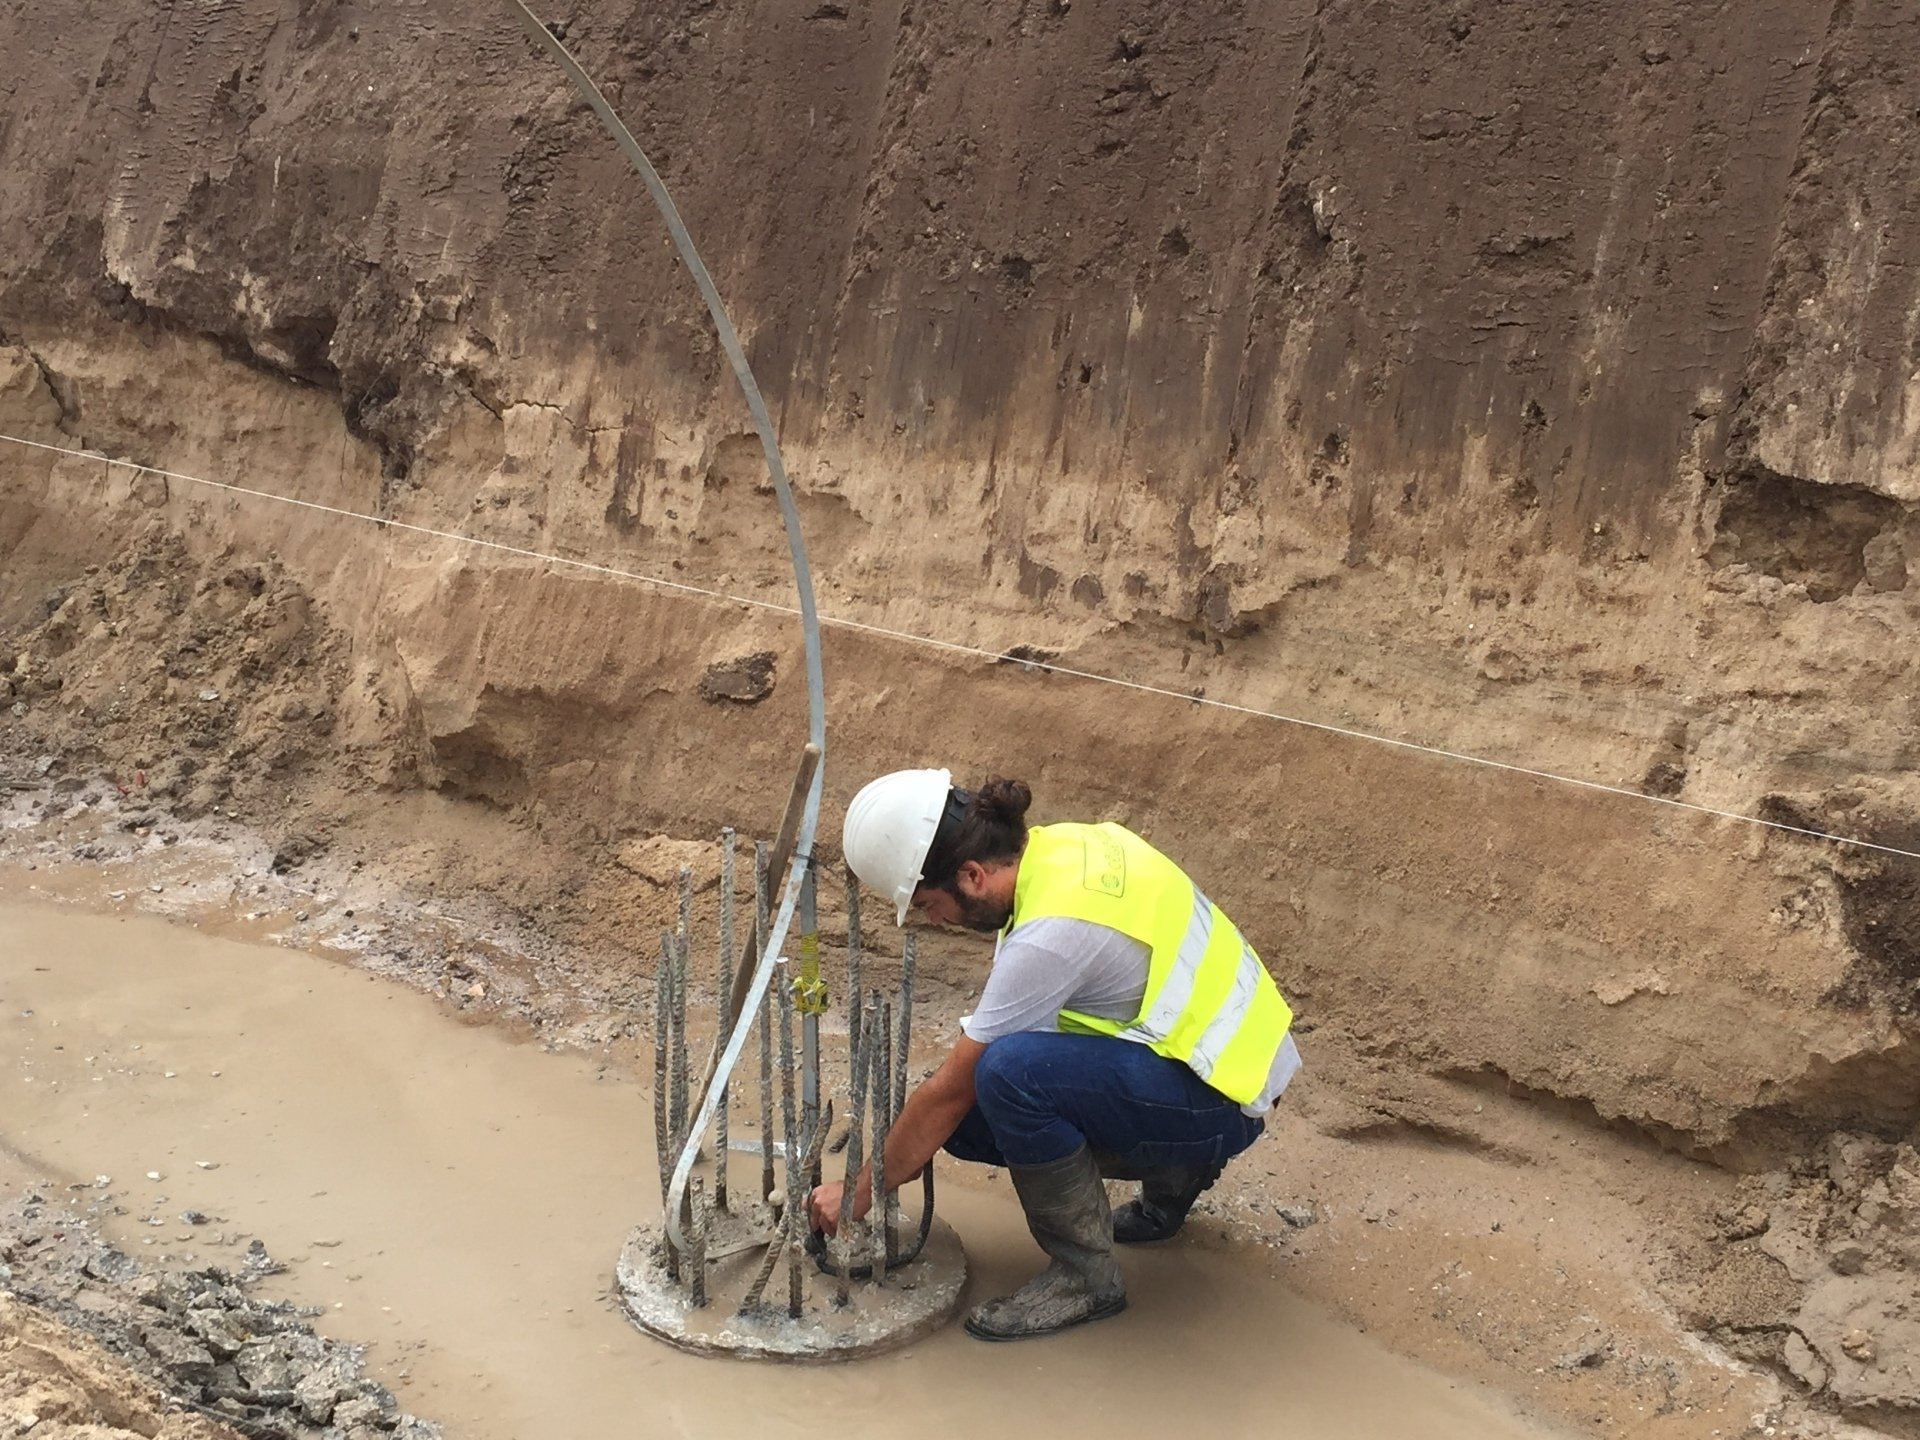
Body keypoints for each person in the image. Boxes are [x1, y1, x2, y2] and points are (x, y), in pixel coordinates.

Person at [807, 768, 1301, 1341]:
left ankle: (1085, 1278)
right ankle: (1171, 1183)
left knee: (1006, 1078)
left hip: (1220, 1099)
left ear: (971, 874)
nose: (932, 920)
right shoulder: (1067, 850)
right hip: (1220, 1065)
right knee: (966, 1115)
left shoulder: (1051, 932)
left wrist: (860, 1190)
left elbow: (954, 1087)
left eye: (929, 904)